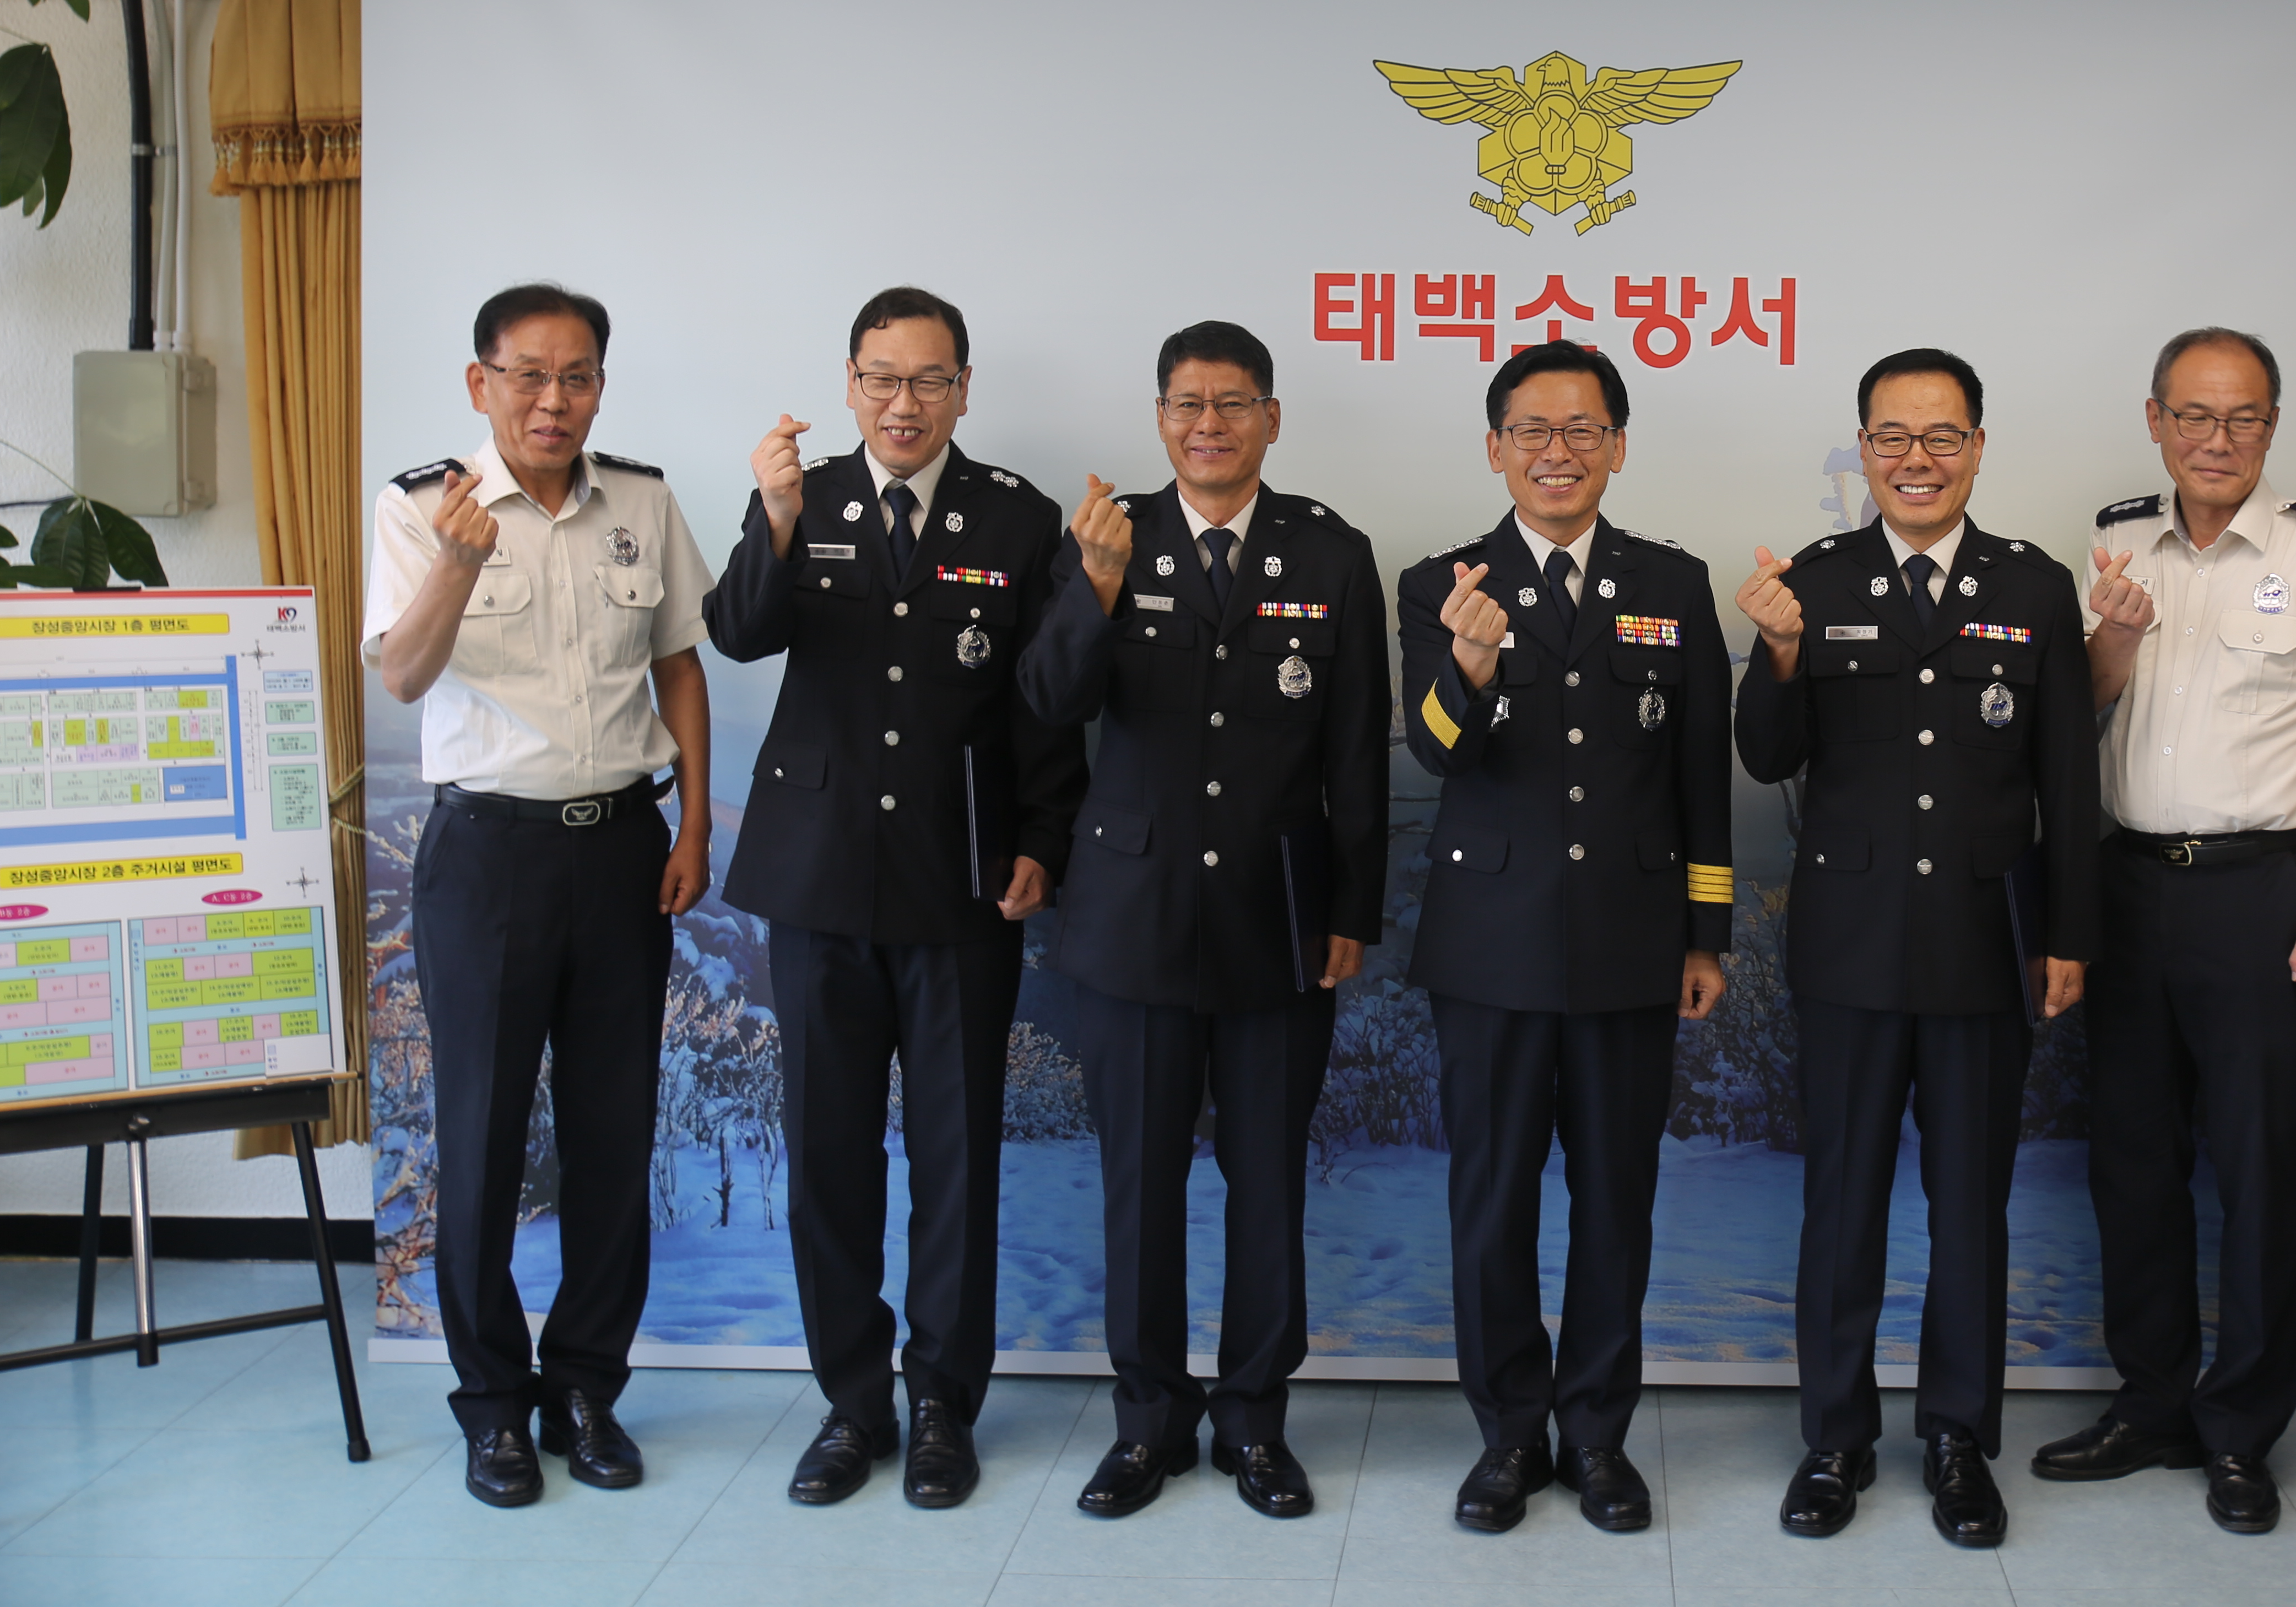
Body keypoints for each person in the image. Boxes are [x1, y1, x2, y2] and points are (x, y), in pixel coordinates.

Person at [706, 285, 1086, 1511]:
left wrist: (1042, 840)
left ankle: (941, 1408)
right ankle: (852, 1405)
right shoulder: (800, 499)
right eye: (880, 378)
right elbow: (738, 633)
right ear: (850, 386)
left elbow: (1043, 702)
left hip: (959, 879)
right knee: (828, 1158)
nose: (903, 403)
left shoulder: (1018, 518)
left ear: (963, 390)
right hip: (817, 879)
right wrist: (772, 518)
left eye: (928, 380)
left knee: (955, 1162)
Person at [1021, 320, 1389, 1523]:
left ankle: (1253, 1423)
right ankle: (1147, 1424)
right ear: (1160, 418)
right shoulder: (1107, 536)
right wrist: (1096, 588)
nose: (1210, 425)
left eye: (1234, 404)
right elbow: (1047, 702)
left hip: (1278, 920)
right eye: (1188, 404)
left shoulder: (1330, 551)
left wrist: (1351, 907)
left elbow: (1356, 753)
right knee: (1138, 1185)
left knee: (1267, 1182)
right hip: (1130, 919)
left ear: (1271, 419)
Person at [1733, 345, 2094, 1550]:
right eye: (1892, 437)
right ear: (1864, 449)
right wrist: (1779, 655)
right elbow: (1767, 756)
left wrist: (2068, 935)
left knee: (1970, 1208)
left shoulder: (2033, 586)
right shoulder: (1814, 581)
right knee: (1841, 1203)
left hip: (1986, 947)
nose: (1917, 459)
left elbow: (2068, 781)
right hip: (1849, 949)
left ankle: (1956, 1439)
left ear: (1978, 448)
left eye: (1942, 436)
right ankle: (1835, 1437)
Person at [364, 282, 714, 1509]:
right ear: (482, 383)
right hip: (487, 858)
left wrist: (695, 822)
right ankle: (493, 1408)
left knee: (614, 1135)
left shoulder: (644, 502)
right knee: (483, 1137)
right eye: (528, 376)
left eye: (576, 378)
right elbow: (404, 675)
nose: (553, 401)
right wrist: (460, 564)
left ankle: (585, 1392)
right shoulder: (421, 509)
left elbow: (679, 662)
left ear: (600, 387)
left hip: (622, 846)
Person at [2037, 325, 2296, 1534]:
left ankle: (2240, 1429)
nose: (2216, 440)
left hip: (2266, 890)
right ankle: (2152, 1404)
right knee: (2132, 1162)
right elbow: (2076, 713)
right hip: (2131, 885)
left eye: (2242, 418)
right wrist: (2116, 635)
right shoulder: (2117, 536)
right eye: (2193, 415)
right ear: (2156, 421)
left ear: (2272, 428)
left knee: (2256, 1168)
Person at [1394, 338, 1733, 1535]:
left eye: (1583, 429)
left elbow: (1700, 774)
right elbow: (1437, 750)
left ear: (1618, 447)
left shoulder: (1673, 583)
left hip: (1632, 947)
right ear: (1496, 449)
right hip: (1490, 948)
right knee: (1491, 1202)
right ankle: (1508, 1434)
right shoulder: (1443, 582)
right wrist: (1470, 663)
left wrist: (1706, 935)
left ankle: (1596, 1434)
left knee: (1615, 1202)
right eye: (1532, 431)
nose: (1557, 451)